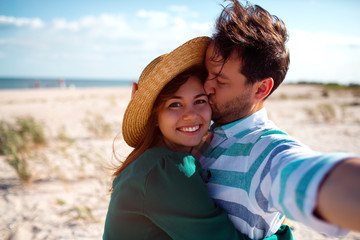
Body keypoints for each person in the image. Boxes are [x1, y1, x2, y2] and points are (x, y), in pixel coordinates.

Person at [195, 0, 360, 239]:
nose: (207, 86)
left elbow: (308, 175)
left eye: (220, 81)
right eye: (206, 74)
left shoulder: (265, 152)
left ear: (261, 89)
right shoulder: (201, 132)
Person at [103, 37, 251, 240]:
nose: (191, 115)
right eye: (175, 104)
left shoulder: (149, 160)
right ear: (155, 117)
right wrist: (279, 233)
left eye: (199, 100)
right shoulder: (166, 168)